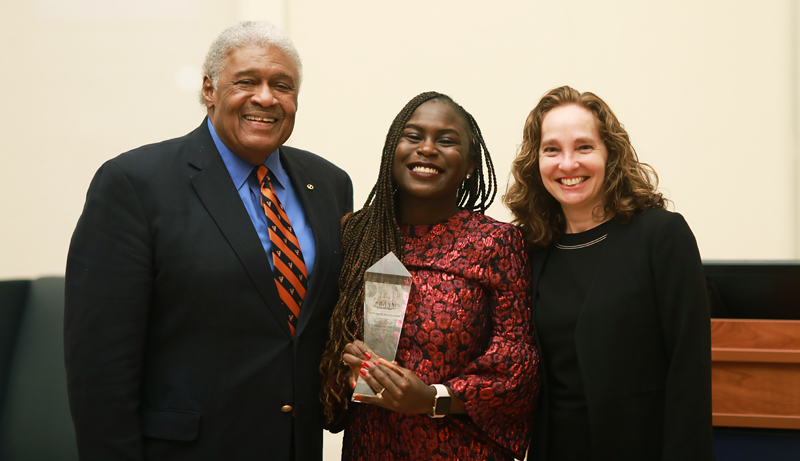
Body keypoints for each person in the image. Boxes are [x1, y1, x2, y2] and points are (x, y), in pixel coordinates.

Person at [64, 21, 352, 460]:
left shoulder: (329, 184)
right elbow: (100, 371)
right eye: (246, 81)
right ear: (209, 89)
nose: (266, 98)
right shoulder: (135, 184)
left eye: (282, 85)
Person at [319, 91, 540, 461]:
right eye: (413, 136)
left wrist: (432, 398)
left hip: (460, 451)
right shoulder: (356, 235)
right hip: (369, 447)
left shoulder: (495, 243)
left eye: (446, 140)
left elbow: (516, 367)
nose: (427, 148)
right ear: (393, 149)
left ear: (470, 163)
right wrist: (343, 370)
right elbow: (316, 343)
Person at [505, 86, 712, 460]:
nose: (567, 164)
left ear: (610, 154)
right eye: (552, 149)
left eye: (584, 147)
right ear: (536, 162)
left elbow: (689, 372)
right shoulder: (529, 248)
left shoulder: (662, 236)